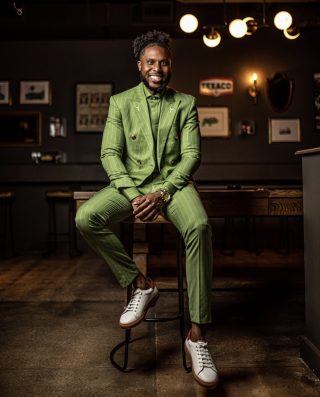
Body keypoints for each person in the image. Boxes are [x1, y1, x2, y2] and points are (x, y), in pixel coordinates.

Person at [75, 30, 218, 389]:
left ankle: (197, 337)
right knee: (86, 217)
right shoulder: (121, 102)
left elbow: (192, 156)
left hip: (174, 186)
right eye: (151, 62)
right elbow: (109, 153)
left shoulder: (185, 103)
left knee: (199, 227)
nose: (157, 68)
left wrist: (163, 192)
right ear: (140, 65)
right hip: (131, 185)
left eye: (163, 62)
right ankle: (141, 285)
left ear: (171, 66)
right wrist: (133, 192)